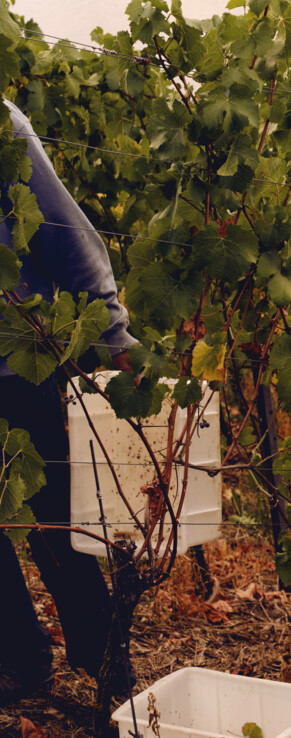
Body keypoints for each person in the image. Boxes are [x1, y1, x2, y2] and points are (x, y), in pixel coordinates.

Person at [0, 101, 138, 705]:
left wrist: (112, 333)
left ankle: (110, 675)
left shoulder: (1, 124)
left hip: (15, 361)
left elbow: (64, 230)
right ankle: (22, 661)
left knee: (51, 521)